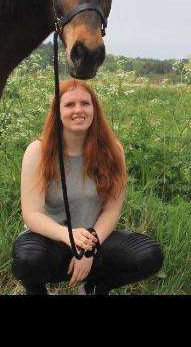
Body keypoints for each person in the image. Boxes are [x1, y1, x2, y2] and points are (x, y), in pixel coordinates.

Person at [12, 79, 163, 295]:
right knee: (27, 259)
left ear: (94, 109)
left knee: (148, 254)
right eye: (69, 105)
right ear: (57, 112)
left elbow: (112, 210)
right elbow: (32, 214)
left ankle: (95, 287)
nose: (78, 110)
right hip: (52, 239)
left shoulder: (113, 150)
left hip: (95, 238)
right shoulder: (38, 151)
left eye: (85, 103)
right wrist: (69, 237)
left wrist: (88, 249)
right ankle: (36, 291)